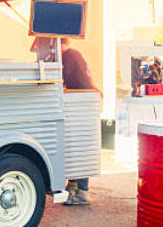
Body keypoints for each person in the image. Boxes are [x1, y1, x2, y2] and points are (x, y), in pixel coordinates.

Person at [61, 37, 94, 205]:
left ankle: (82, 192)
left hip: (82, 102)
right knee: (78, 145)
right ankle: (75, 185)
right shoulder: (74, 54)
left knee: (79, 146)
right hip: (85, 101)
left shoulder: (68, 55)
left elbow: (62, 78)